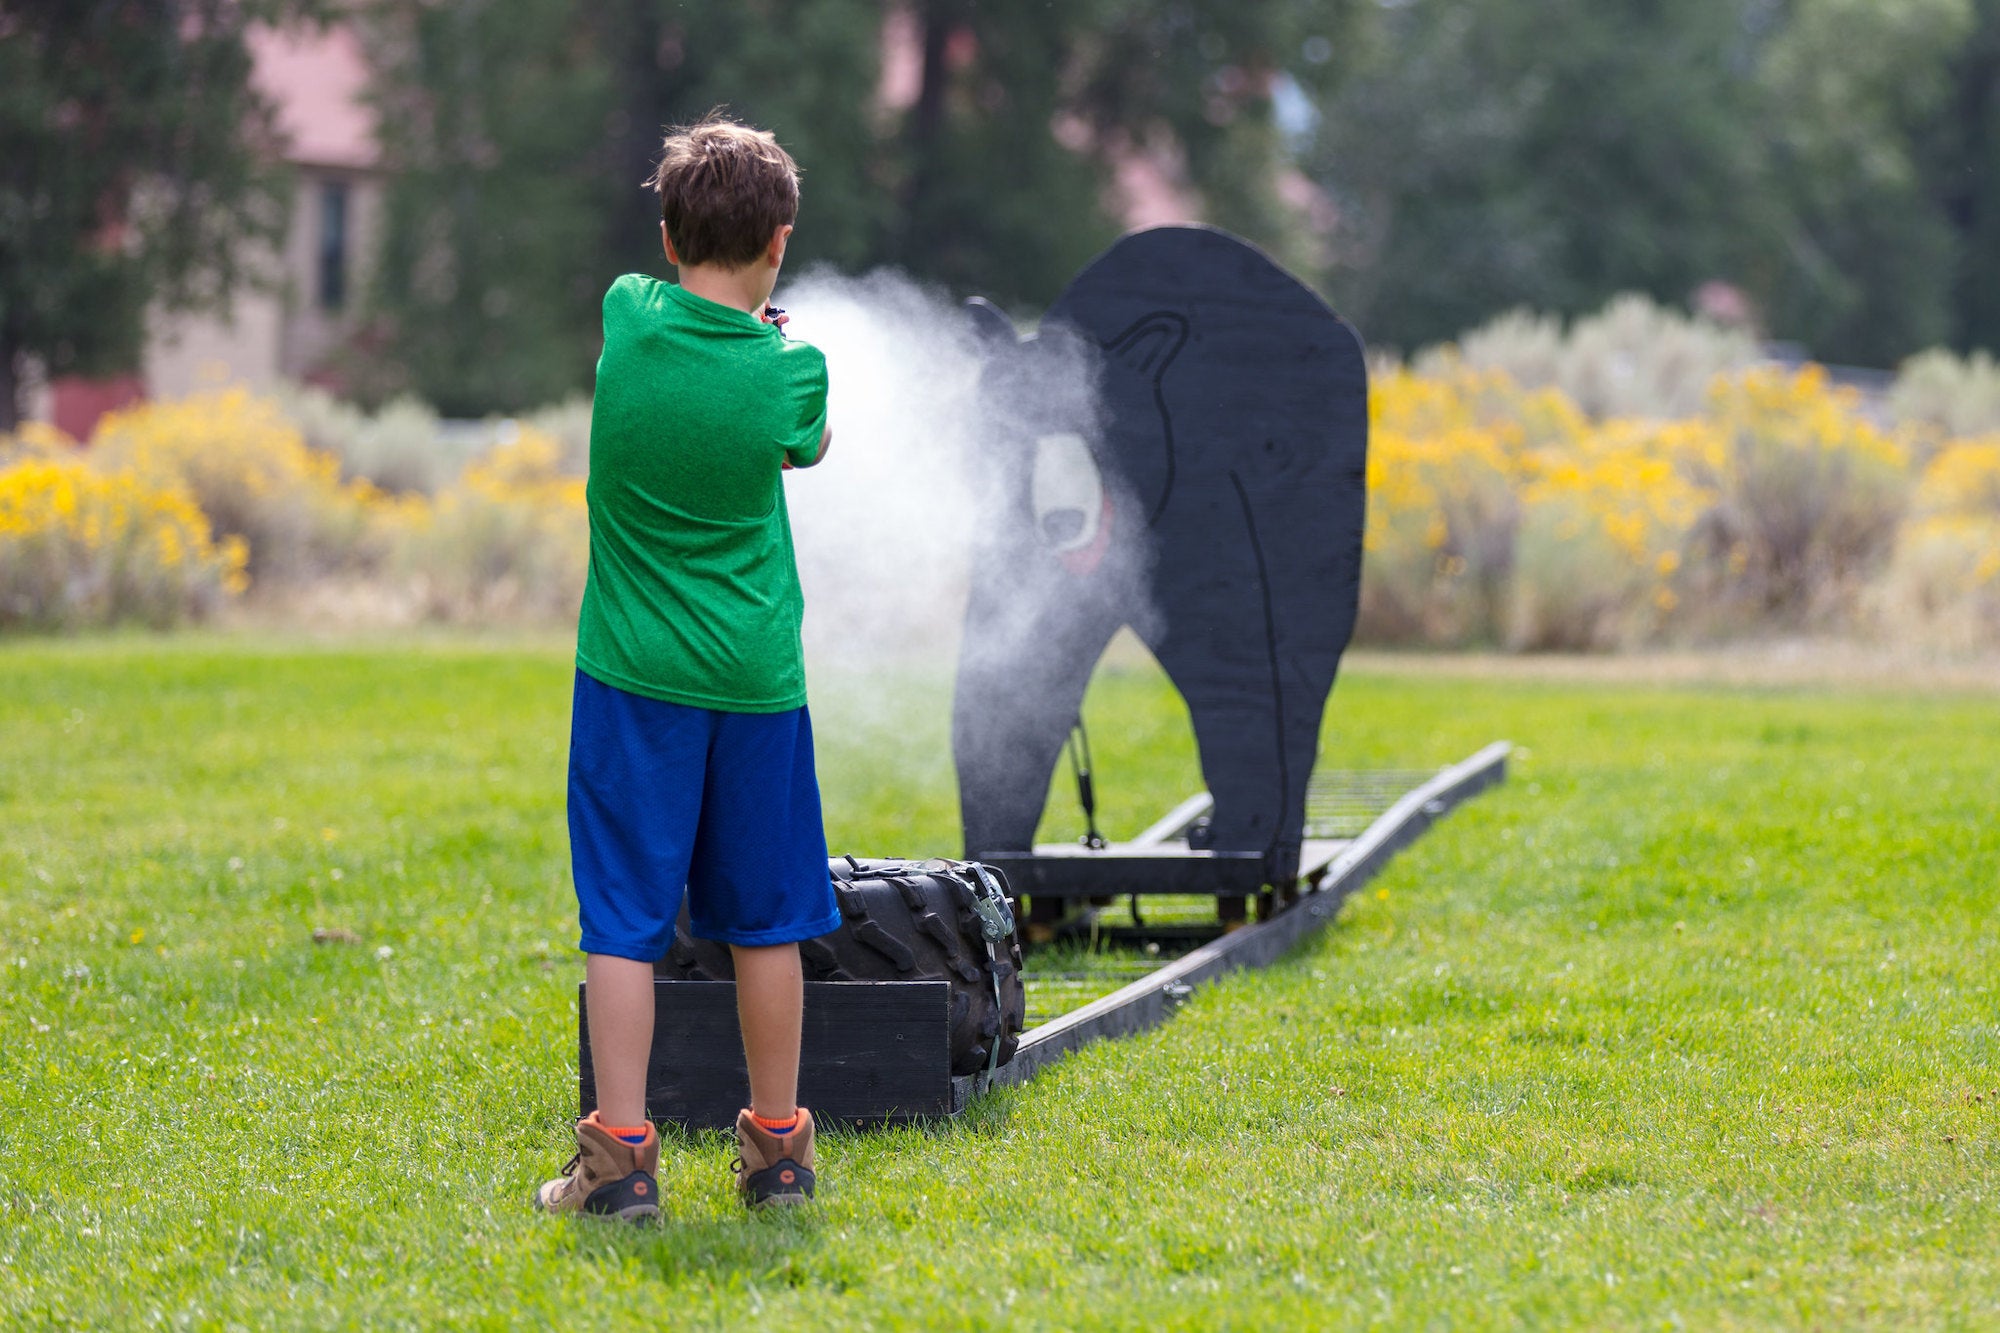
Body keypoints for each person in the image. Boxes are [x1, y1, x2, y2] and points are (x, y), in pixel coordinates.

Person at [536, 115, 836, 1220]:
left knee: (622, 921)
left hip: (629, 677)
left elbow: (663, 312)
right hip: (755, 686)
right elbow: (804, 443)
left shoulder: (627, 313)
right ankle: (779, 1160)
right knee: (763, 921)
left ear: (665, 237)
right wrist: (767, 328)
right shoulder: (793, 368)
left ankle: (618, 1165)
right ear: (780, 242)